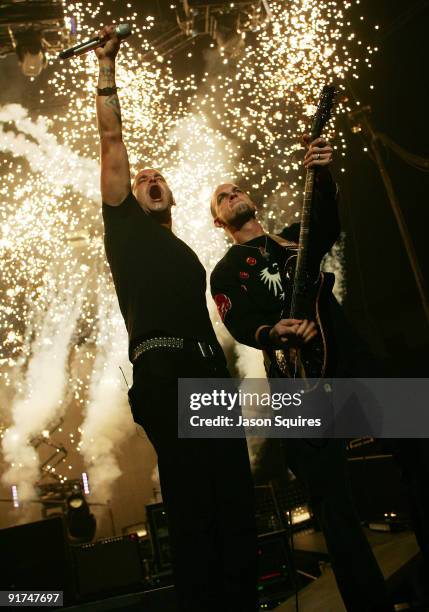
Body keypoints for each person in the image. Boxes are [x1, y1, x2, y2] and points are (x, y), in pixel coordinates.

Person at [94, 26, 257, 612]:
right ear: (131, 197)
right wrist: (108, 72)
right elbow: (113, 142)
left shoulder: (187, 251)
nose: (149, 178)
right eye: (141, 179)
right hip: (165, 373)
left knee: (233, 504)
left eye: (158, 176)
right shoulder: (126, 232)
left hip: (209, 378)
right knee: (195, 510)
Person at [209, 135, 394, 612]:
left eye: (236, 189)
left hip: (348, 358)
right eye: (222, 196)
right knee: (333, 508)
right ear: (217, 220)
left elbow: (329, 222)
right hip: (292, 384)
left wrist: (323, 171)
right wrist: (272, 330)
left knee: (419, 451)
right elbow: (238, 321)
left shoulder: (296, 234)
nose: (232, 195)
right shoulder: (226, 271)